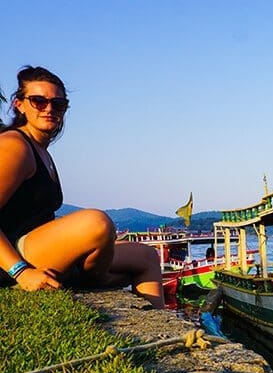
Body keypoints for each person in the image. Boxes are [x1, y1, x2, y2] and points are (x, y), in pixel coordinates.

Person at [0, 66, 164, 307]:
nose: (49, 109)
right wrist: (21, 271)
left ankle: (161, 339)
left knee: (147, 256)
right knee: (96, 223)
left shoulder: (41, 150)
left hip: (38, 249)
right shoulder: (15, 146)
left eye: (58, 104)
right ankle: (94, 278)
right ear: (19, 104)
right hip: (11, 256)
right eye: (38, 101)